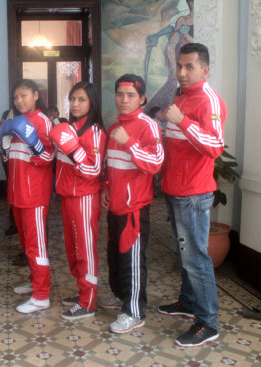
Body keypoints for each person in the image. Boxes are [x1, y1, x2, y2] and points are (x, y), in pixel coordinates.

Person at [159, 42, 226, 347]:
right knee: (185, 254)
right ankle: (187, 303)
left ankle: (207, 321)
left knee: (196, 257)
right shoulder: (181, 98)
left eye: (190, 67)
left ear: (205, 69)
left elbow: (214, 146)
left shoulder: (208, 101)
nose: (182, 73)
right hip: (175, 189)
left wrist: (182, 122)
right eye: (179, 66)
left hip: (194, 194)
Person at [101, 74, 163, 334]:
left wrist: (130, 142)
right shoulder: (115, 126)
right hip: (114, 206)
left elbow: (155, 163)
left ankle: (134, 311)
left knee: (132, 261)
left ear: (142, 98)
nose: (124, 100)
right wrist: (106, 188)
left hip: (134, 208)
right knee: (114, 257)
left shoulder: (147, 125)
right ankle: (120, 296)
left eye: (130, 95)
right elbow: (111, 164)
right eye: (119, 94)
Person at [48, 82, 106, 320]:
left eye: (81, 99)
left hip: (84, 197)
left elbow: (93, 170)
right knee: (72, 250)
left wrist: (73, 149)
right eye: (73, 99)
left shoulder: (95, 132)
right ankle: (82, 291)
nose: (75, 104)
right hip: (67, 196)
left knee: (85, 251)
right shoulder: (69, 127)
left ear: (92, 102)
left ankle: (88, 301)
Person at [0, 79, 54, 313]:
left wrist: (36, 146)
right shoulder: (15, 123)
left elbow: (50, 158)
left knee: (36, 245)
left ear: (35, 95)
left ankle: (42, 295)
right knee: (25, 243)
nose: (19, 100)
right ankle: (35, 281)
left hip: (34, 194)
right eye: (16, 97)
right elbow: (10, 157)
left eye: (24, 95)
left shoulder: (42, 121)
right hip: (17, 191)